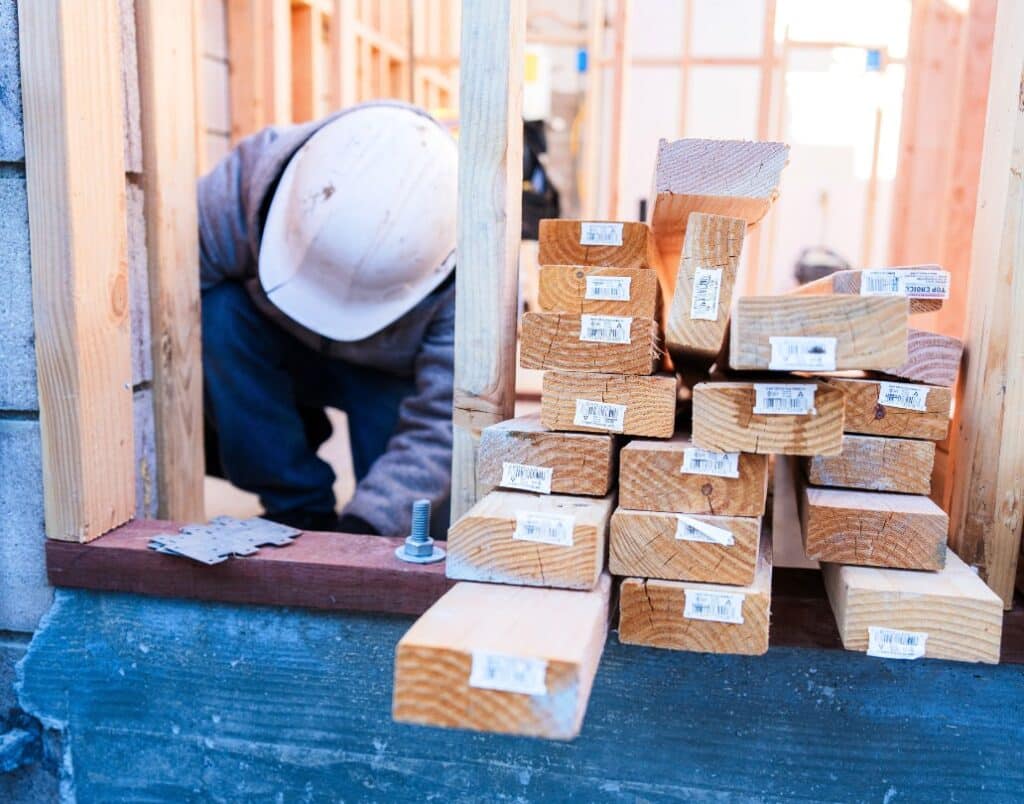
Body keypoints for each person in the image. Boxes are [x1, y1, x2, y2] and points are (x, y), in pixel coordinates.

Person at [197, 101, 457, 537]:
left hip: (391, 376)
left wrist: (367, 527)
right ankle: (297, 505)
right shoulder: (239, 190)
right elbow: (163, 323)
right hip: (281, 342)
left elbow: (444, 418)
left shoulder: (473, 273)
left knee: (418, 527)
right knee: (220, 315)